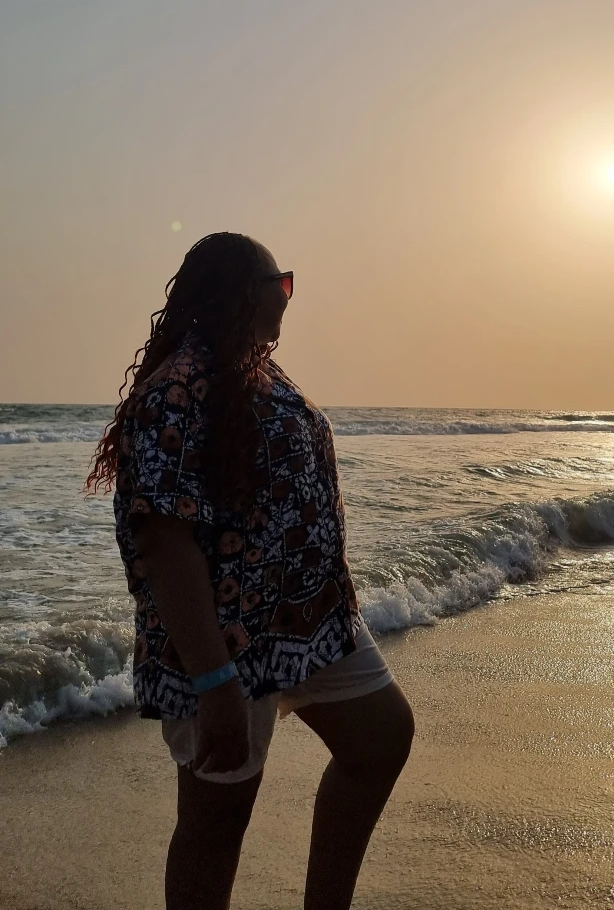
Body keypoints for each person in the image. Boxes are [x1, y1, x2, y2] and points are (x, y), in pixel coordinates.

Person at [85, 231, 415, 910]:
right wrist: (214, 681)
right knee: (216, 821)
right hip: (223, 640)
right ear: (246, 290)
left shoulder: (253, 367)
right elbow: (165, 538)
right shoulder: (179, 388)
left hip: (310, 623)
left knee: (382, 737)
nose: (289, 298)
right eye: (282, 283)